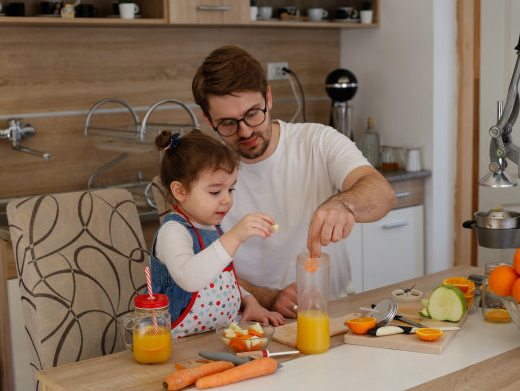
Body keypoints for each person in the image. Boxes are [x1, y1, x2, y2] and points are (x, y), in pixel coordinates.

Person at [192, 45, 397, 318]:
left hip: (333, 313)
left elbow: (382, 192)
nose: (246, 131)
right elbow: (197, 271)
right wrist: (269, 297)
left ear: (268, 97)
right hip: (251, 323)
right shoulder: (201, 176)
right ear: (207, 119)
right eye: (228, 123)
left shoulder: (317, 141)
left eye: (253, 113)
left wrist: (345, 204)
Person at [149, 129, 285, 338]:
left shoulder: (212, 228)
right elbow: (190, 278)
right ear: (180, 191)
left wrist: (248, 300)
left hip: (214, 337)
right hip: (172, 343)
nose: (227, 200)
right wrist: (235, 236)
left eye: (231, 189)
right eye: (215, 192)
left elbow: (223, 279)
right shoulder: (173, 231)